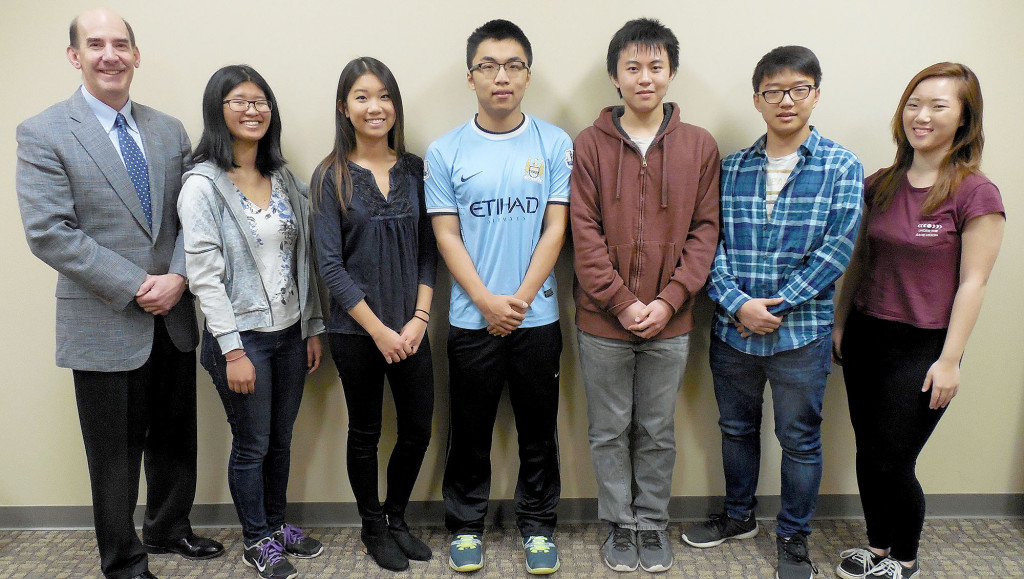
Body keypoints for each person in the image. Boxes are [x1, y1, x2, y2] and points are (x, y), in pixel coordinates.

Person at [15, 9, 223, 579]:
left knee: (176, 438)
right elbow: (49, 233)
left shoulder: (168, 130)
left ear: (136, 55)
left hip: (175, 315)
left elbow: (191, 218)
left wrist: (178, 277)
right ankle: (123, 558)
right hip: (103, 319)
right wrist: (136, 285)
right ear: (74, 56)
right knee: (113, 455)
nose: (110, 54)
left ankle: (168, 527)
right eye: (95, 44)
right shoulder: (43, 132)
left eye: (121, 44)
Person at [681, 46, 864, 579]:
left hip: (800, 334)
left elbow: (837, 251)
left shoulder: (841, 165)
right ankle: (739, 517)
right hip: (732, 332)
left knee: (800, 440)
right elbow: (706, 242)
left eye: (798, 89)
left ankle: (793, 535)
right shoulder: (732, 166)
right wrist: (738, 303)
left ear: (815, 95)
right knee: (735, 429)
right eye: (773, 92)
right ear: (757, 99)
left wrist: (774, 307)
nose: (786, 101)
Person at [832, 63, 1004, 579]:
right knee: (868, 452)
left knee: (892, 459)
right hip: (867, 334)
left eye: (938, 105)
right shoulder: (880, 184)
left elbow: (974, 282)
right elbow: (859, 260)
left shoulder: (976, 194)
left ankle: (904, 557)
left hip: (924, 345)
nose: (921, 116)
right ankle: (879, 546)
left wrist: (950, 360)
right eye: (914, 103)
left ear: (964, 118)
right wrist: (841, 324)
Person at [570, 18, 720, 574]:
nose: (644, 78)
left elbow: (706, 232)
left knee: (657, 430)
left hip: (671, 320)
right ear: (615, 75)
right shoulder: (588, 144)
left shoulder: (700, 146)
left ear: (671, 72)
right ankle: (618, 524)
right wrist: (621, 301)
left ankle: (652, 524)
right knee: (608, 429)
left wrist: (668, 300)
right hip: (601, 321)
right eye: (632, 67)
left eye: (655, 66)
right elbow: (582, 235)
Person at [424, 18, 572, 576]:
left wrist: (520, 300)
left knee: (539, 430)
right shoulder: (446, 151)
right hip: (469, 318)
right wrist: (487, 301)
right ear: (471, 77)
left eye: (513, 65)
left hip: (539, 319)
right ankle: (466, 527)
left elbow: (555, 230)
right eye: (489, 66)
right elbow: (446, 234)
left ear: (527, 75)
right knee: (469, 429)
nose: (501, 76)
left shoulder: (555, 143)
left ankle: (539, 526)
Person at [177, 64, 326, 579]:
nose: (252, 110)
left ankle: (277, 526)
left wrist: (311, 326)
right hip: (240, 342)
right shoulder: (201, 185)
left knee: (281, 441)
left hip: (288, 334)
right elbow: (204, 276)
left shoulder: (284, 178)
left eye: (260, 101)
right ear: (217, 112)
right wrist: (235, 351)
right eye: (238, 101)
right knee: (253, 445)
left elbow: (306, 257)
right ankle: (256, 540)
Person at [309, 57, 437, 572]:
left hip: (412, 328)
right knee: (365, 431)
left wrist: (418, 320)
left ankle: (398, 519)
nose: (375, 106)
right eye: (362, 96)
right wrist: (381, 331)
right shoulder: (330, 177)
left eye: (383, 95)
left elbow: (431, 249)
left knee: (417, 429)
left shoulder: (416, 170)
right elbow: (330, 267)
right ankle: (371, 528)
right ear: (345, 107)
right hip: (357, 333)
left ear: (395, 105)